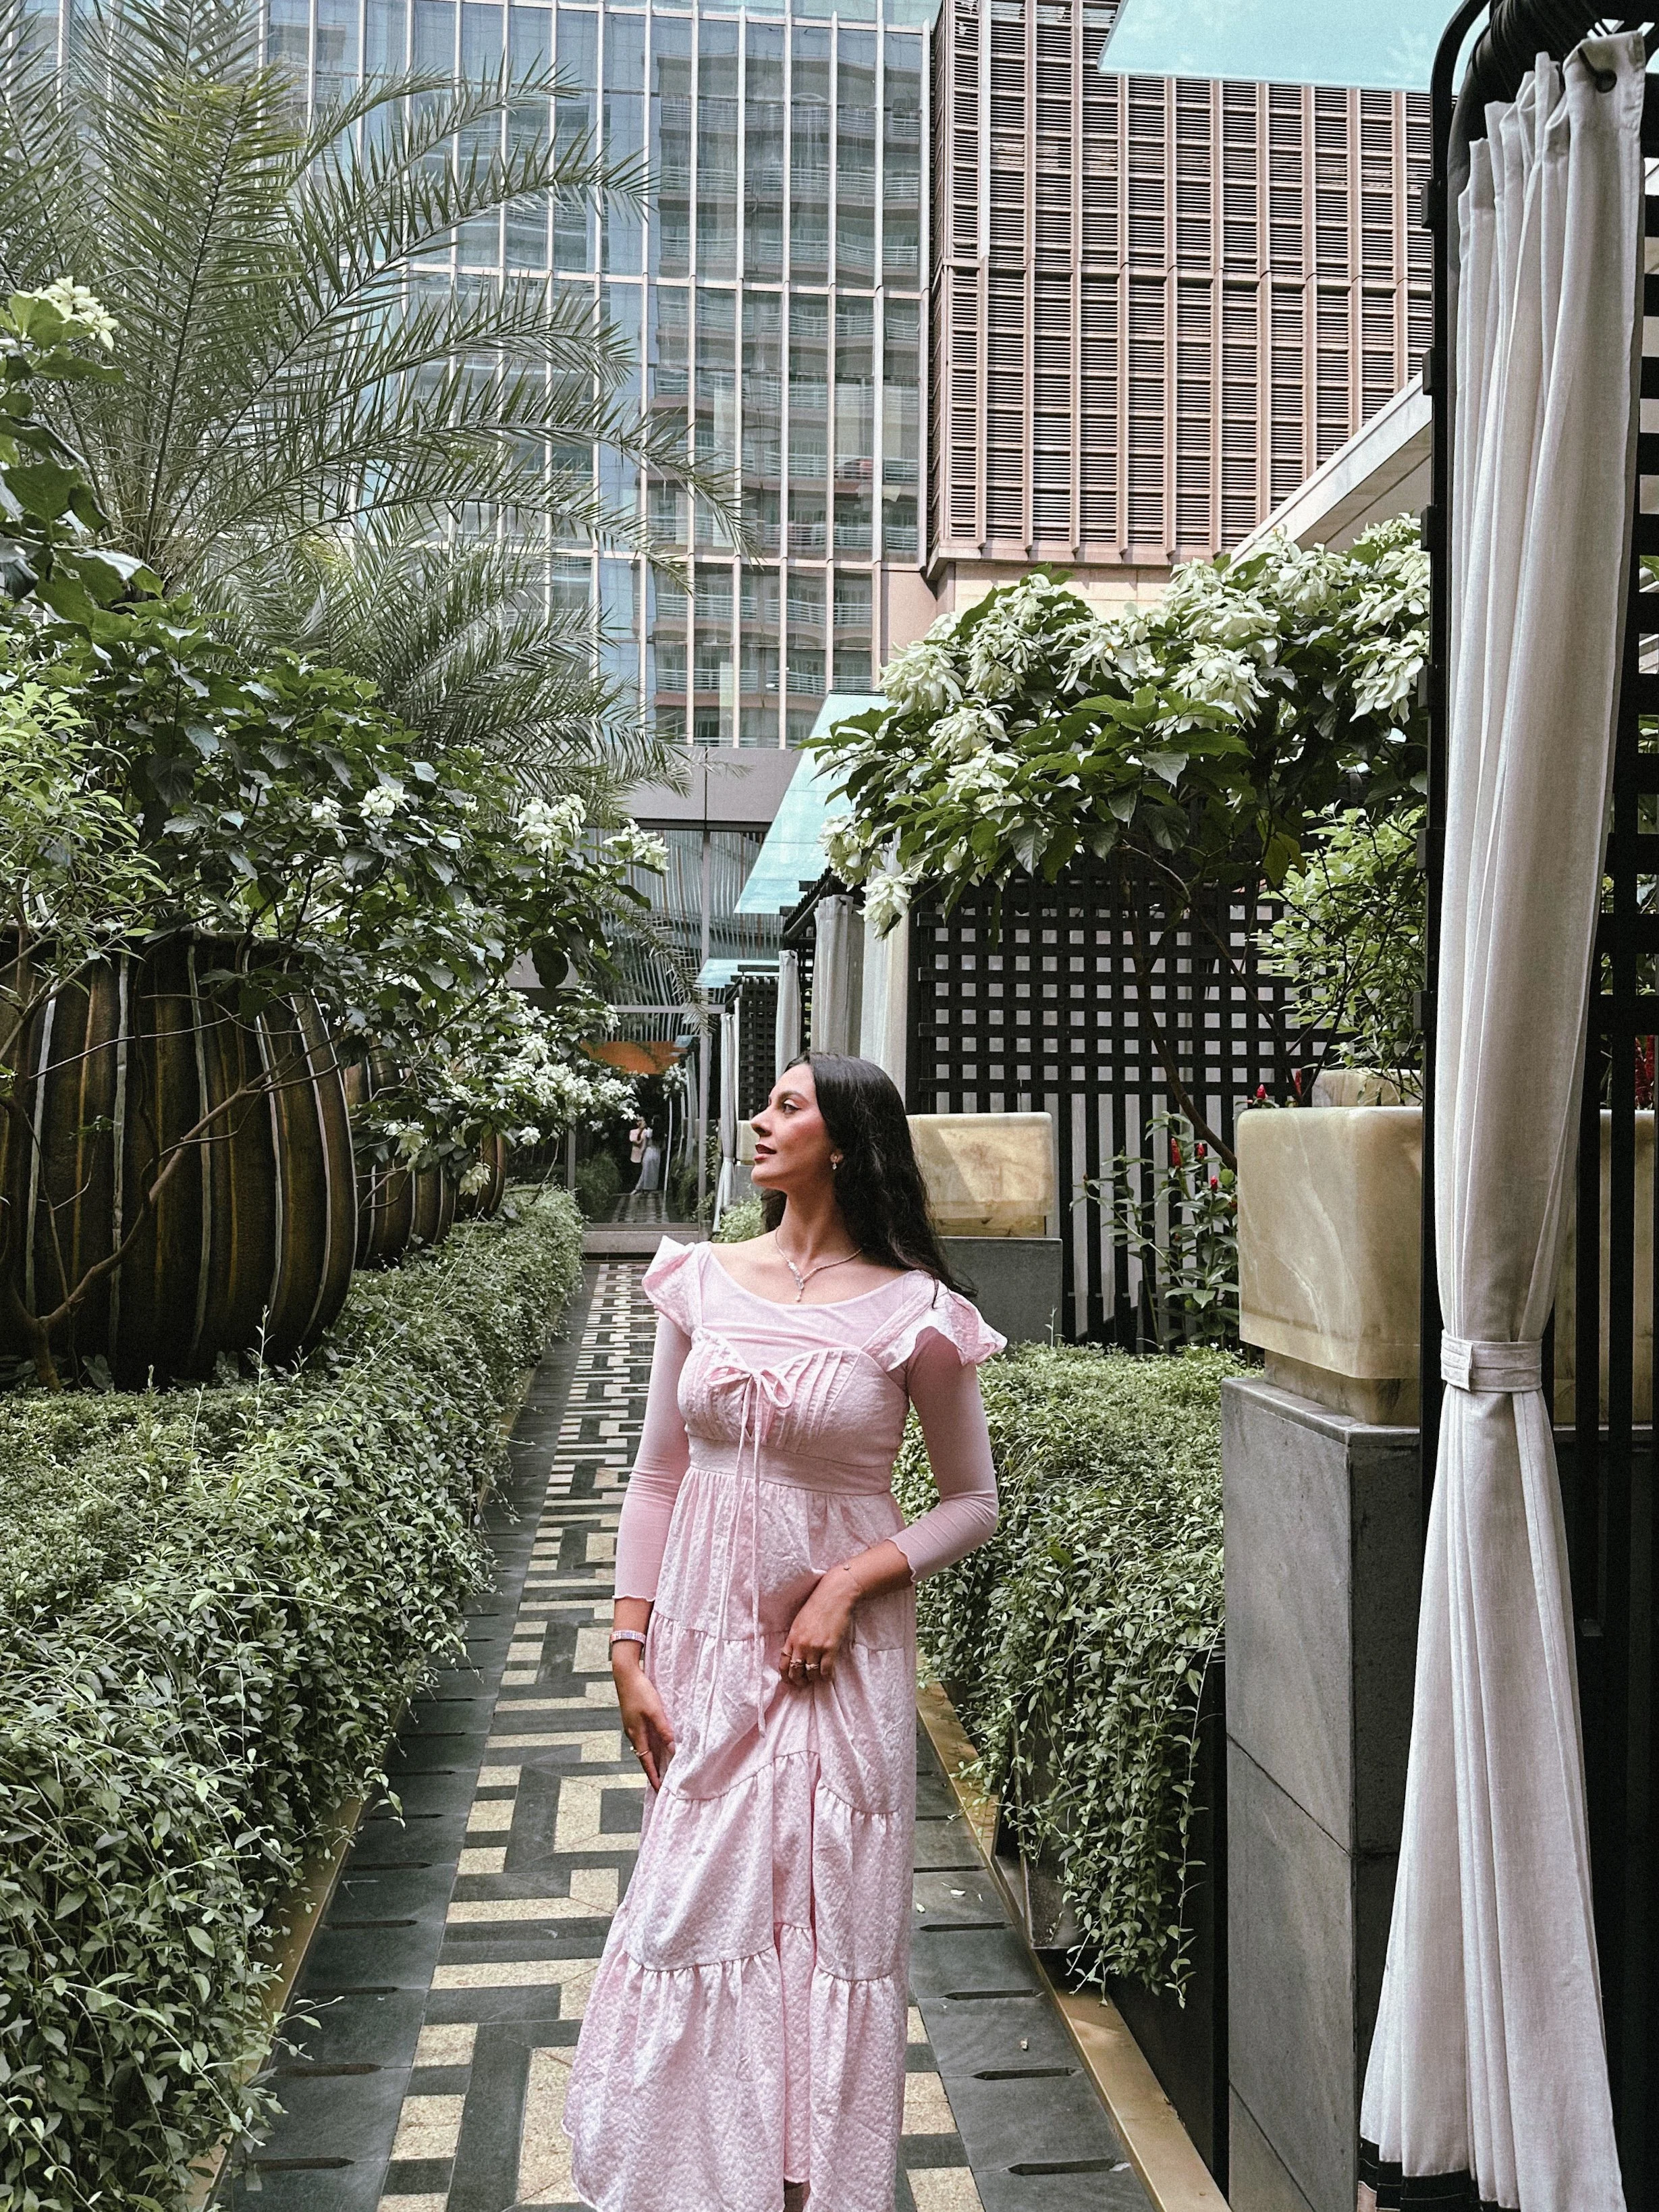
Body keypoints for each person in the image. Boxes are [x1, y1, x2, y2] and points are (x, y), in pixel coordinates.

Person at [565, 1054, 1004, 2212]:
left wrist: (849, 1580)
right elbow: (656, 1476)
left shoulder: (917, 1311)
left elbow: (972, 1501)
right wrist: (626, 1648)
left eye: (787, 1106)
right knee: (685, 1915)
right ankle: (678, 2184)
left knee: (823, 1931)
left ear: (846, 1145)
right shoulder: (700, 1281)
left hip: (835, 1670)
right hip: (702, 1656)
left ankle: (807, 2191)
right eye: (766, 1103)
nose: (760, 1120)